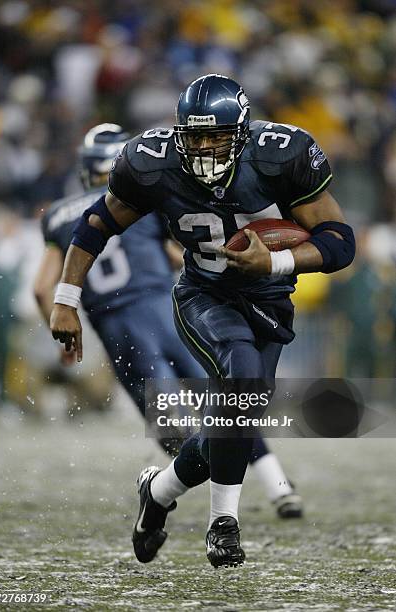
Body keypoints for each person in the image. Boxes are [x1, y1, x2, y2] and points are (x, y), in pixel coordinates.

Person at [50, 75, 355, 567]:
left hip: (271, 297)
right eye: (194, 136)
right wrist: (66, 296)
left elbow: (340, 240)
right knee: (238, 377)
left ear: (242, 131)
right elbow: (97, 223)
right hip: (204, 294)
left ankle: (160, 490)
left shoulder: (282, 154)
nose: (205, 146)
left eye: (216, 135)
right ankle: (224, 526)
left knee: (234, 418)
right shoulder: (153, 162)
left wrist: (276, 263)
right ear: (179, 133)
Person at [37, 121, 303, 519]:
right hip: (167, 313)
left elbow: (44, 288)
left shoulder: (60, 215)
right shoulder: (147, 197)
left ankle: (166, 494)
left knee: (174, 432)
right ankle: (278, 485)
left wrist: (63, 324)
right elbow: (183, 255)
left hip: (117, 330)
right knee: (232, 403)